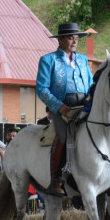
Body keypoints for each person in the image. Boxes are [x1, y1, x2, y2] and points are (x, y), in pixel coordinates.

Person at [36, 22, 93, 196]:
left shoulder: (83, 59)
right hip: (62, 107)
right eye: (70, 37)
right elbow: (42, 88)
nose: (74, 41)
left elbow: (91, 83)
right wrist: (59, 107)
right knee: (63, 135)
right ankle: (56, 178)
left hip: (84, 105)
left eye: (76, 38)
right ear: (60, 39)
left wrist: (92, 95)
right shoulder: (48, 60)